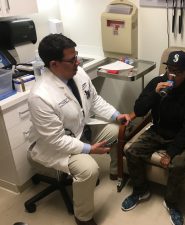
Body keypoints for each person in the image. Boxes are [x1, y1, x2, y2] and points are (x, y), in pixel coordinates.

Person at [27, 33, 130, 225]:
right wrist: (90, 149)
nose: (78, 61)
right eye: (72, 59)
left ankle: (117, 171)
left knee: (117, 130)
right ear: (54, 64)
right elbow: (56, 140)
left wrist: (116, 115)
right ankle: (83, 217)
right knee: (89, 169)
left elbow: (95, 99)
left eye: (77, 56)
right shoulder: (40, 96)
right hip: (58, 146)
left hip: (81, 130)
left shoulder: (78, 73)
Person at [121, 50, 185, 225]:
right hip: (157, 131)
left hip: (179, 136)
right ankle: (141, 190)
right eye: (169, 69)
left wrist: (171, 153)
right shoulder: (157, 82)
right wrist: (154, 94)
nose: (171, 75)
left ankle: (171, 203)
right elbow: (140, 110)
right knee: (132, 151)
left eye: (177, 72)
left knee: (179, 163)